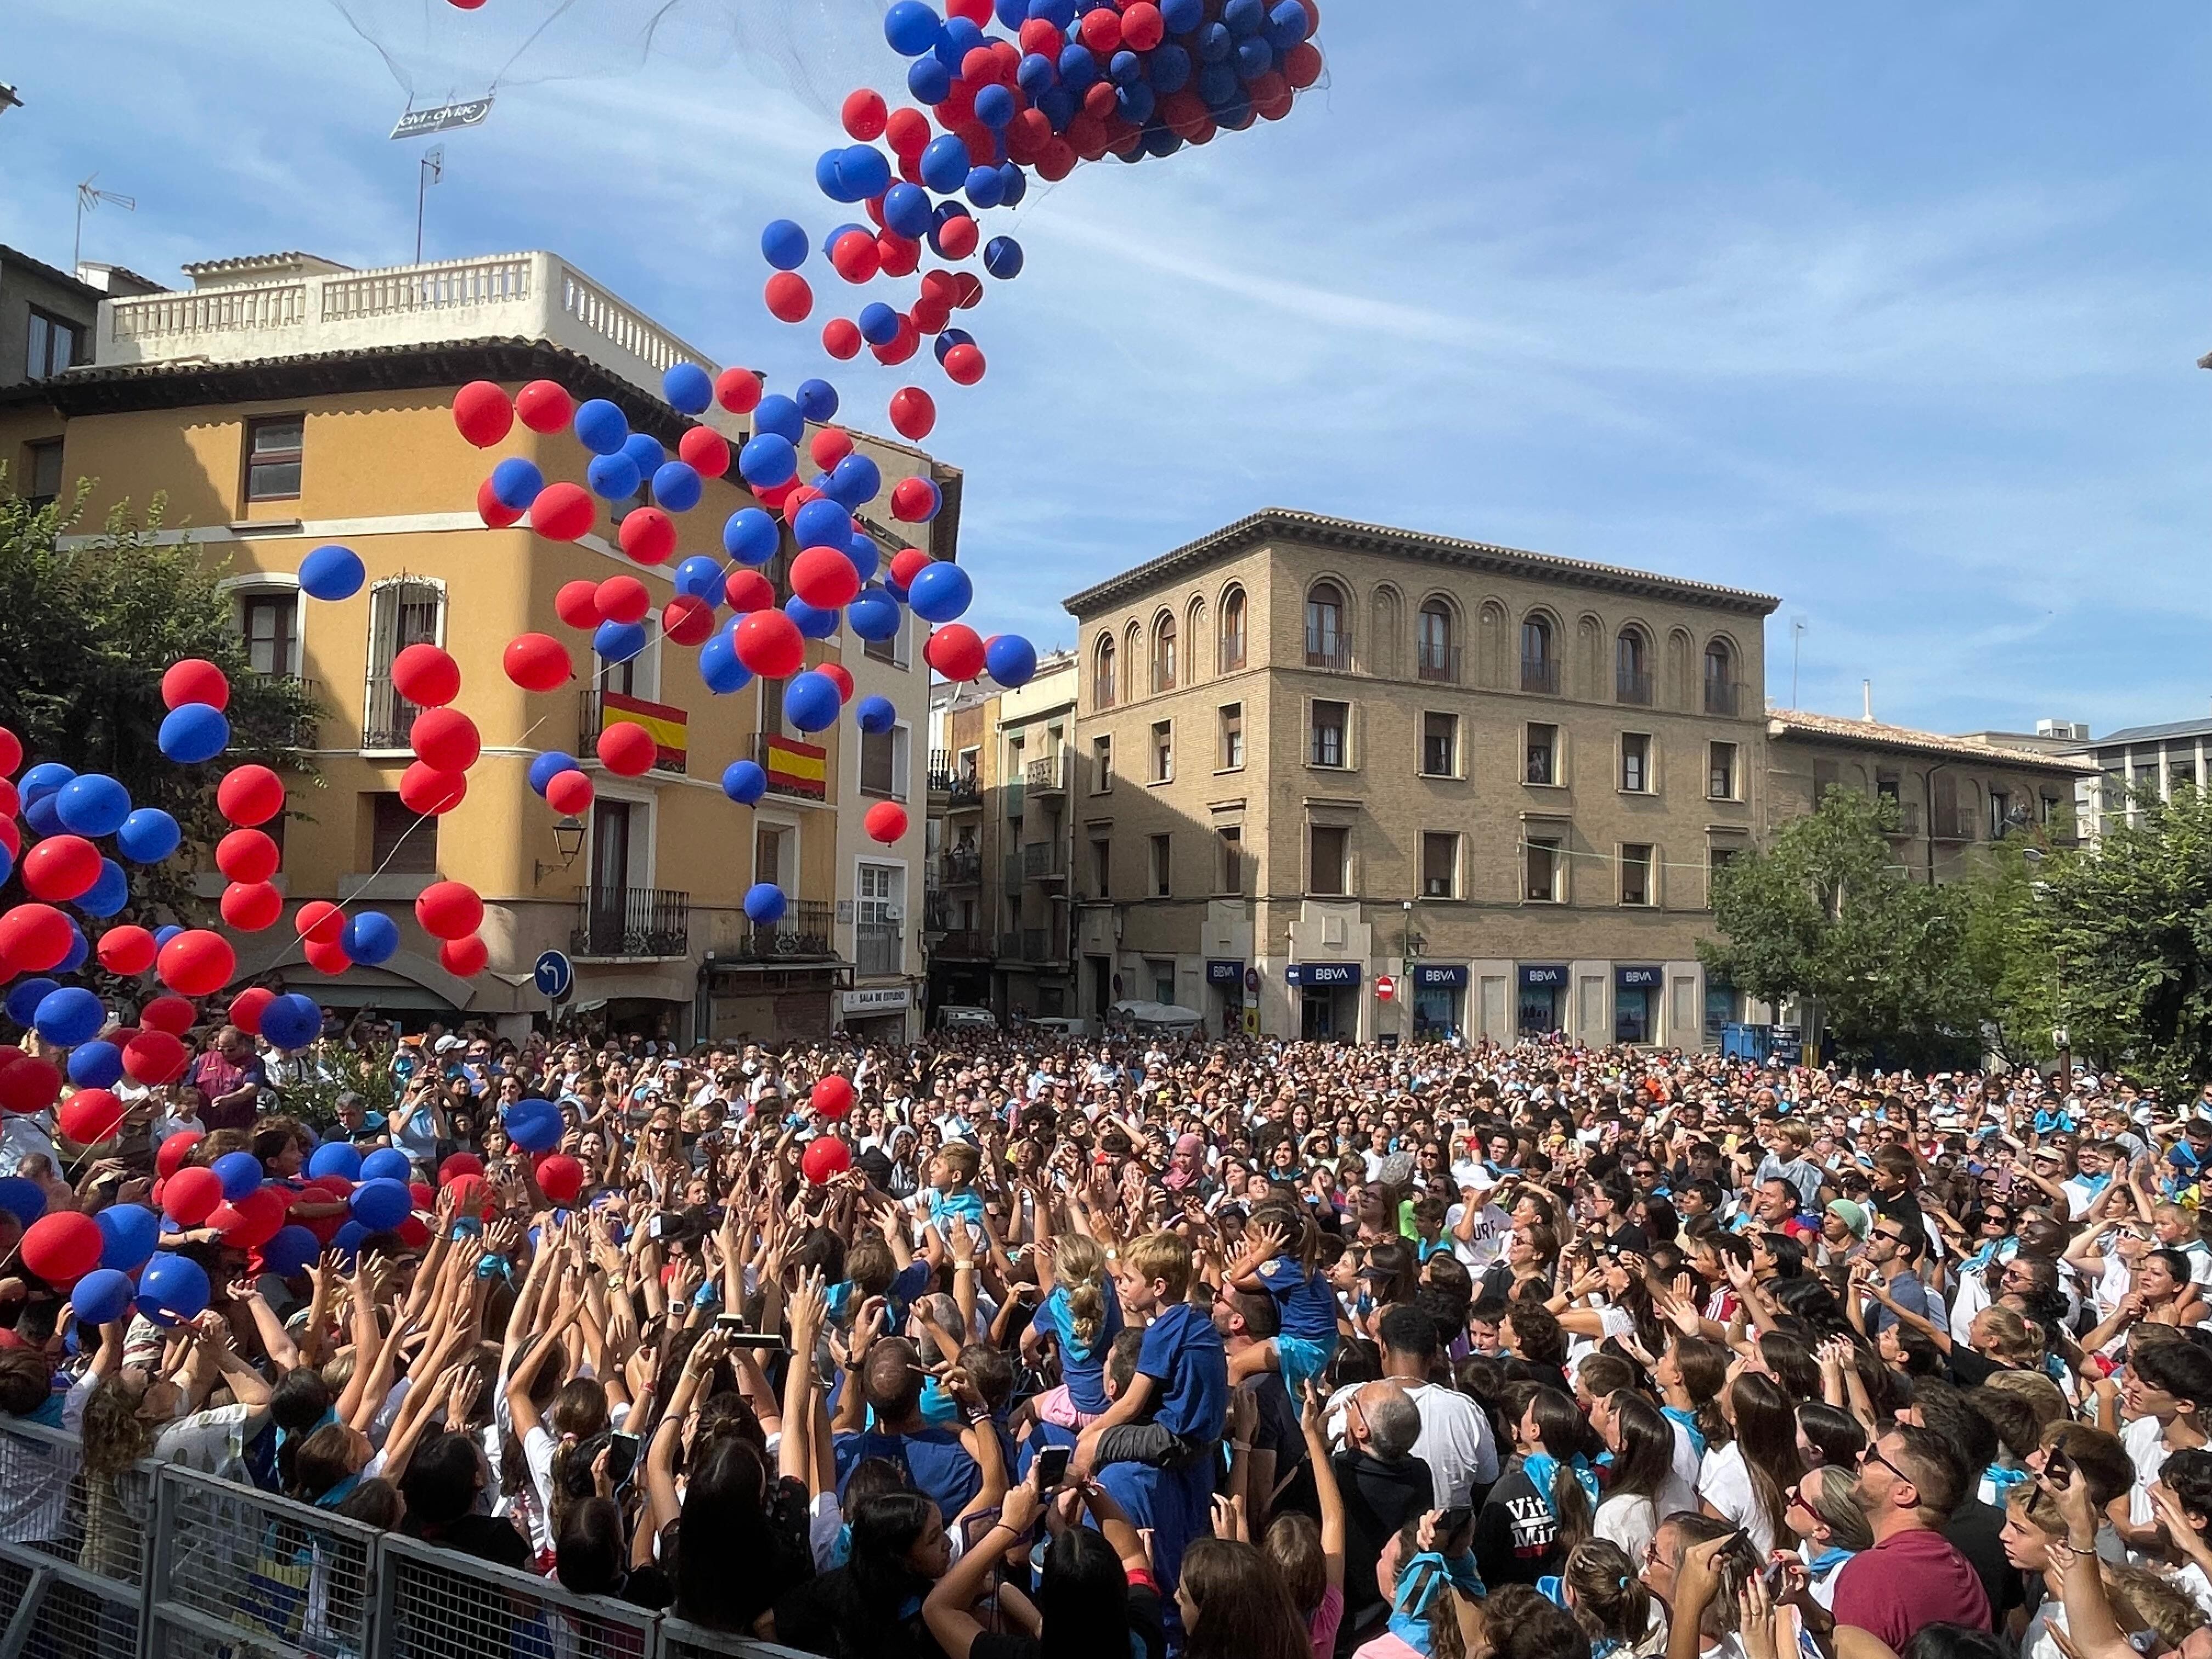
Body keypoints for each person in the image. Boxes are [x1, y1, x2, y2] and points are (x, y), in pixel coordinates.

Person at [1829, 1426, 1991, 1649]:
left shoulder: (1872, 1574)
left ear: (1904, 1492)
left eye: (1873, 1455)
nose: (1860, 1455)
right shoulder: (1960, 1565)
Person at [1333, 1382, 1436, 1656]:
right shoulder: (1420, 1475)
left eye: (1354, 1401)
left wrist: (1316, 1448)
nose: (1349, 1406)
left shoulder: (1334, 1475)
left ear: (1362, 1430)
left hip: (1344, 1627)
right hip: (1398, 1620)